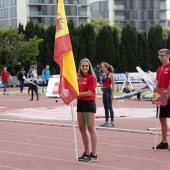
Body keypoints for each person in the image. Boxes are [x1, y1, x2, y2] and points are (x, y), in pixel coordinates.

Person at [77, 58, 98, 162]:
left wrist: (76, 93)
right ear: (80, 67)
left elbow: (89, 93)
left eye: (86, 66)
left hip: (89, 103)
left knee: (90, 127)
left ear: (89, 66)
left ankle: (94, 154)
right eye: (82, 66)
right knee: (81, 128)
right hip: (80, 103)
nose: (84, 67)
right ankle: (86, 152)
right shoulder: (78, 77)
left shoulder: (92, 77)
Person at [154, 49, 170, 150]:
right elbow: (157, 83)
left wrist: (166, 98)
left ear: (168, 56)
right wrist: (156, 98)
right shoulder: (159, 69)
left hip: (168, 96)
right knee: (162, 119)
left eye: (162, 55)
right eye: (159, 56)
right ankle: (164, 141)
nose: (160, 58)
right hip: (161, 95)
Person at [98, 62, 115, 127]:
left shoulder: (110, 75)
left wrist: (112, 94)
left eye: (103, 67)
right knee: (105, 107)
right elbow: (103, 84)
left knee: (109, 107)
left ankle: (112, 122)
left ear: (107, 68)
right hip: (104, 91)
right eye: (102, 67)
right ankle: (106, 121)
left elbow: (113, 85)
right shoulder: (103, 74)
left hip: (108, 91)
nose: (102, 68)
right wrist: (97, 85)